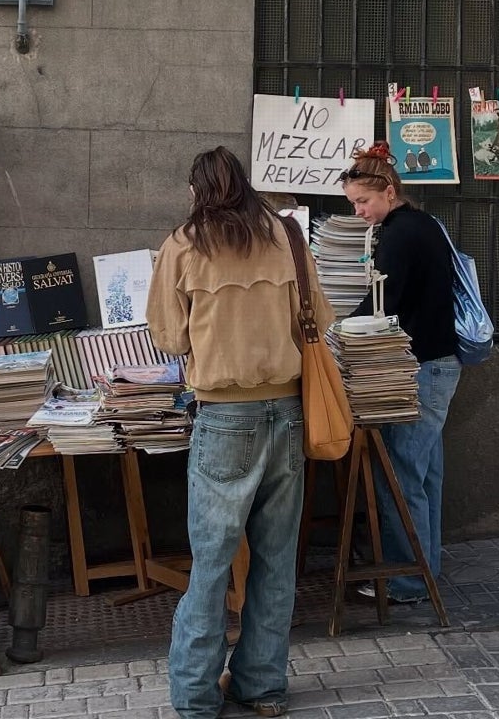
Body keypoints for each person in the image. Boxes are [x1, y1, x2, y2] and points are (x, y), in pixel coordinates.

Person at [147, 146, 334, 718]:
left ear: (196, 190)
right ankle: (263, 688)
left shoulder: (184, 244)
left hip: (224, 418)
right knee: (276, 560)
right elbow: (320, 321)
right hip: (286, 412)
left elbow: (170, 339)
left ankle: (196, 698)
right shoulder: (288, 238)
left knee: (210, 565)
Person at [339, 141, 460, 604]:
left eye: (362, 201)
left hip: (420, 368)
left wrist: (335, 330)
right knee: (424, 473)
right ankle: (425, 573)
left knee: (401, 475)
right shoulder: (423, 224)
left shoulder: (400, 233)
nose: (359, 212)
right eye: (353, 204)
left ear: (389, 191)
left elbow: (380, 304)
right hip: (438, 363)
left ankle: (409, 582)